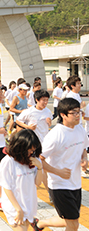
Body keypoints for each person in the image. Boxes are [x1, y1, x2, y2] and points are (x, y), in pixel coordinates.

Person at [32, 98, 89, 231]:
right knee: (73, 224)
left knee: (68, 220)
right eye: (74, 113)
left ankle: (40, 224)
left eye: (79, 112)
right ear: (63, 115)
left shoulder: (80, 129)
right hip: (59, 185)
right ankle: (39, 224)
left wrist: (85, 159)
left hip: (76, 183)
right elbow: (38, 159)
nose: (78, 115)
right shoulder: (55, 135)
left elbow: (84, 148)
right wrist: (58, 172)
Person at [0, 129, 43, 230]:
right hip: (14, 206)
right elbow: (6, 187)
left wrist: (39, 167)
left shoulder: (33, 160)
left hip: (28, 203)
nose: (31, 152)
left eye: (33, 150)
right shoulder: (8, 161)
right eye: (29, 150)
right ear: (20, 148)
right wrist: (18, 210)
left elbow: (38, 183)